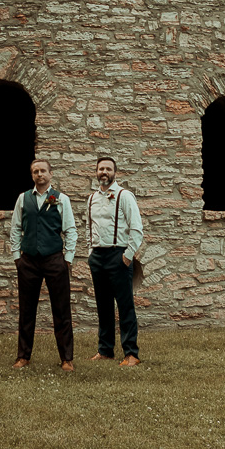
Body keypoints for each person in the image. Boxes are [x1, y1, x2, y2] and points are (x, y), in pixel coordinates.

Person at [9, 157, 77, 371]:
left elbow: (71, 230)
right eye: (35, 171)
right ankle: (23, 356)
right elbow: (15, 228)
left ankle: (66, 358)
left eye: (43, 171)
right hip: (28, 260)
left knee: (62, 310)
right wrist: (16, 257)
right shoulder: (23, 198)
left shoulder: (61, 199)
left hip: (55, 259)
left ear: (50, 174)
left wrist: (68, 258)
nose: (39, 175)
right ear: (32, 175)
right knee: (26, 310)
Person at [86, 155, 143, 366]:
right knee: (103, 306)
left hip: (118, 255)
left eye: (108, 169)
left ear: (114, 172)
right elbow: (88, 227)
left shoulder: (124, 196)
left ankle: (131, 353)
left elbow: (137, 229)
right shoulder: (91, 198)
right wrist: (90, 252)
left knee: (125, 306)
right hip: (98, 257)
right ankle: (105, 350)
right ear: (96, 172)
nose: (104, 172)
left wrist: (127, 257)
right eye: (101, 169)